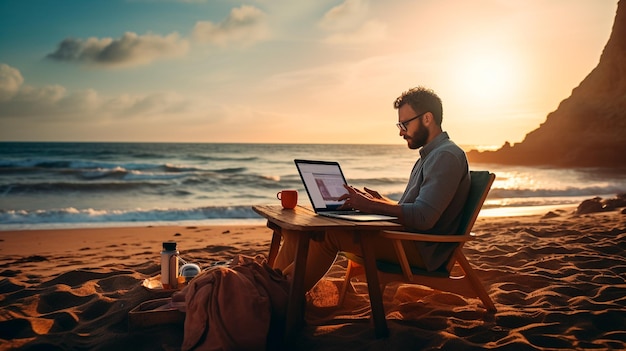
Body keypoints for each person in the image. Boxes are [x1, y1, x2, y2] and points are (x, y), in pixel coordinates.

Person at [274, 86, 471, 291]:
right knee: (300, 232)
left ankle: (283, 294)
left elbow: (423, 217)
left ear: (427, 118)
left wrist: (372, 206)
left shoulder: (445, 156)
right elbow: (420, 208)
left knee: (328, 233)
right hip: (408, 240)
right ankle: (270, 284)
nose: (401, 132)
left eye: (405, 124)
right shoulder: (431, 155)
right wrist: (380, 202)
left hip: (420, 249)